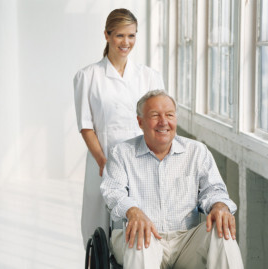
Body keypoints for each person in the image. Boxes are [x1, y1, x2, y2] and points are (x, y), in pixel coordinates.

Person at [101, 90, 244, 268]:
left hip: (186, 241)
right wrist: (133, 211)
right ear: (140, 122)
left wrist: (220, 206)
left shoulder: (197, 152)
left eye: (169, 115)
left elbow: (213, 190)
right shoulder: (122, 153)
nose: (164, 122)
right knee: (140, 232)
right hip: (143, 238)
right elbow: (113, 191)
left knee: (221, 230)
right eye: (155, 115)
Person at [73, 8, 165, 249]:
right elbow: (85, 126)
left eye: (131, 36)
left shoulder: (149, 77)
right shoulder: (88, 76)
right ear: (107, 35)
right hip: (102, 160)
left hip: (141, 161)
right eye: (120, 36)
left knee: (139, 228)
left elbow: (159, 121)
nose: (126, 42)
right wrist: (103, 162)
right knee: (98, 231)